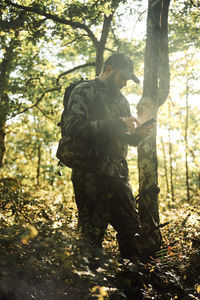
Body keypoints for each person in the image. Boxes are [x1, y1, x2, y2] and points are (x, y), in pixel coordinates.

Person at [61, 53, 153, 262]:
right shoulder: (85, 90)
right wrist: (116, 122)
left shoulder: (122, 101)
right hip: (90, 174)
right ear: (109, 69)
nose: (124, 84)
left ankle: (133, 286)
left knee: (132, 229)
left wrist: (138, 136)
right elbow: (73, 126)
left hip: (118, 175)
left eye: (127, 80)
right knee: (91, 237)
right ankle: (91, 288)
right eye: (122, 78)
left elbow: (124, 138)